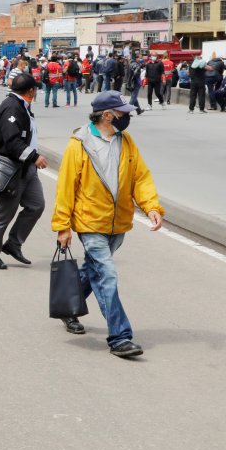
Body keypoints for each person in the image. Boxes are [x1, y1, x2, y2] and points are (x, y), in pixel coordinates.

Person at [51, 91, 164, 357]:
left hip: (118, 223)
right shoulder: (79, 144)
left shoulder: (126, 141)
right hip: (90, 221)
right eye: (123, 113)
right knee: (107, 276)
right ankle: (120, 337)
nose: (127, 117)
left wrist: (151, 207)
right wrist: (63, 225)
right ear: (107, 115)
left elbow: (140, 177)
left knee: (95, 270)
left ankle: (68, 307)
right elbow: (66, 187)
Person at [0, 73, 47, 270]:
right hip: (10, 169)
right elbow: (12, 142)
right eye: (35, 89)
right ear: (30, 91)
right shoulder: (11, 107)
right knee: (4, 213)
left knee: (36, 205)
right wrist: (34, 157)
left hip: (27, 168)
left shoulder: (23, 106)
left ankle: (13, 244)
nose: (36, 92)